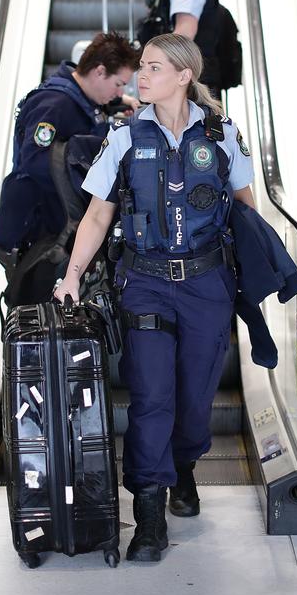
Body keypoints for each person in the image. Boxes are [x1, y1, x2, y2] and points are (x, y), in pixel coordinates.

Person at [54, 34, 255, 564]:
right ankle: (148, 517)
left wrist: (260, 277)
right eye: (140, 68)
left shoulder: (223, 134)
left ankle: (184, 467)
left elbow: (246, 209)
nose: (140, 77)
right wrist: (72, 275)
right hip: (144, 281)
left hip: (208, 285)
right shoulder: (122, 136)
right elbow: (98, 215)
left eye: (153, 68)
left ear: (184, 75)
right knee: (150, 398)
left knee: (193, 403)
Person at [0, 31, 140, 262]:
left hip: (56, 225)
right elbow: (34, 160)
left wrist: (120, 103)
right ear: (99, 71)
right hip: (39, 230)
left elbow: (83, 113)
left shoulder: (80, 94)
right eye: (119, 85)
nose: (119, 93)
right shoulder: (53, 105)